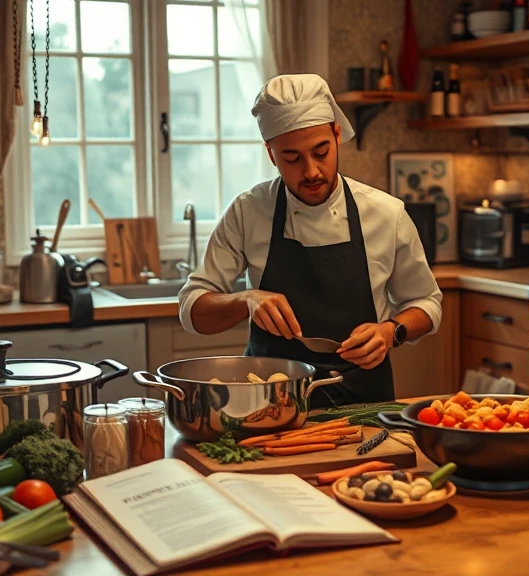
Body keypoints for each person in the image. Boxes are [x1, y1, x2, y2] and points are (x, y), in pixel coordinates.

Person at [177, 73, 442, 407]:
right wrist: (246, 300)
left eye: (321, 152)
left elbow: (427, 303)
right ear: (271, 154)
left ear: (336, 134)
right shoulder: (248, 212)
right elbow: (191, 307)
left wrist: (392, 331)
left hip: (363, 405)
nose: (312, 171)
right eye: (292, 158)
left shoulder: (386, 214)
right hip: (270, 406)